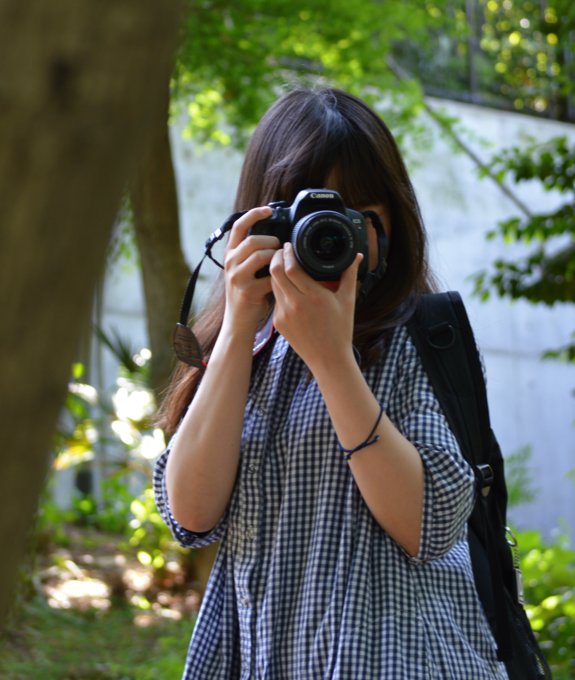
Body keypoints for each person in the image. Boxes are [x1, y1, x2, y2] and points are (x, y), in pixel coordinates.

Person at [153, 88, 505, 680]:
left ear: (391, 223)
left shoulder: (416, 337)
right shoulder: (244, 349)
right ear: (259, 219)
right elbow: (189, 515)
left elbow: (434, 526)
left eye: (356, 213)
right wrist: (240, 326)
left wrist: (332, 358)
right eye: (309, 214)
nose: (329, 235)